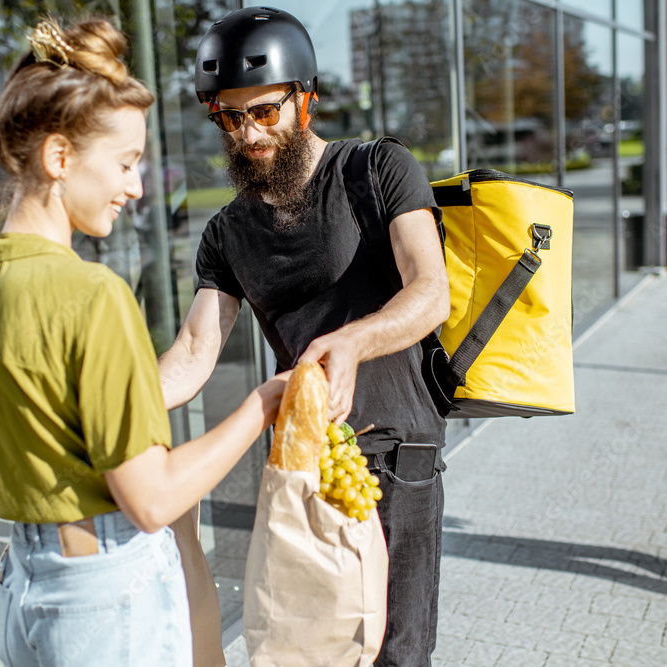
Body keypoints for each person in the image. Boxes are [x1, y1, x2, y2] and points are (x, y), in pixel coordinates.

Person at [0, 17, 288, 667]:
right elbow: (154, 499)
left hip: (21, 583)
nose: (137, 186)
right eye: (126, 162)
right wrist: (264, 402)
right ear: (59, 158)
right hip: (105, 596)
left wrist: (42, 468)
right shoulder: (93, 295)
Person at [157, 7, 450, 666]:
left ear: (306, 98)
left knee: (393, 653)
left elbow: (430, 290)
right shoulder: (226, 232)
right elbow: (195, 353)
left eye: (262, 111)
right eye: (227, 117)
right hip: (303, 460)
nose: (246, 133)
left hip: (395, 457)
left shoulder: (377, 170)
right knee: (312, 648)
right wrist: (107, 400)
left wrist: (352, 340)